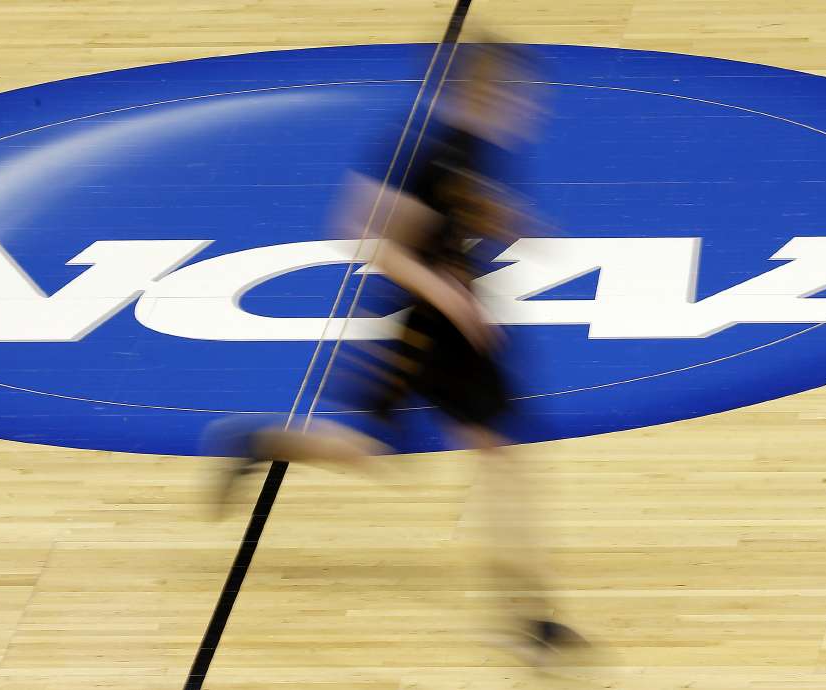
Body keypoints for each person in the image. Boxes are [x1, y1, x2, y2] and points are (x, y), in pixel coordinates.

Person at [208, 40, 587, 664]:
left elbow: (460, 211)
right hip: (428, 332)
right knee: (454, 459)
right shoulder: (429, 149)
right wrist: (449, 293)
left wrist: (507, 222)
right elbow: (364, 233)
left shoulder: (472, 152)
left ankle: (260, 445)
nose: (526, 105)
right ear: (483, 92)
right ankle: (530, 619)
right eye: (515, 92)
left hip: (457, 329)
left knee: (440, 457)